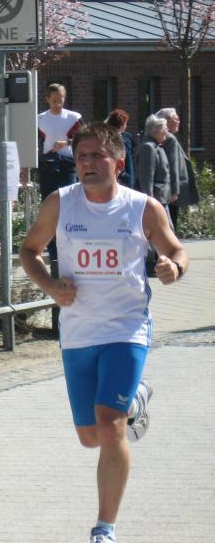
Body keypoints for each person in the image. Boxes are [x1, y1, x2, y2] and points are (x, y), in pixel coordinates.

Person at [19, 122, 188, 543]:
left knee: (109, 424)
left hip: (126, 327)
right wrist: (50, 285)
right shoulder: (60, 203)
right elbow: (29, 251)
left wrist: (174, 267)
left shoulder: (143, 207)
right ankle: (136, 398)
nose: (88, 163)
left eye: (97, 155)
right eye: (81, 157)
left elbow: (176, 250)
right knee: (90, 437)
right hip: (78, 332)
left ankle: (104, 528)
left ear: (119, 162)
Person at [37, 83, 83, 264]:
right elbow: (34, 142)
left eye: (60, 100)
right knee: (49, 205)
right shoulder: (40, 119)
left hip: (67, 164)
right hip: (47, 164)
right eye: (54, 100)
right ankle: (53, 252)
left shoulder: (74, 118)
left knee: (68, 204)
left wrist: (67, 142)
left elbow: (83, 138)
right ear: (47, 99)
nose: (57, 104)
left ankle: (70, 247)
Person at [135, 114, 172, 275]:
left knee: (166, 230)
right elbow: (146, 176)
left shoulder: (156, 146)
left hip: (161, 197)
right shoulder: (148, 148)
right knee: (160, 231)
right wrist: (149, 199)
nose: (167, 131)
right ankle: (151, 264)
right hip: (154, 198)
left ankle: (160, 262)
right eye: (164, 128)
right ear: (156, 130)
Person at [154, 108, 191, 230]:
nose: (179, 121)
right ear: (166, 121)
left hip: (163, 189)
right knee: (170, 225)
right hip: (169, 191)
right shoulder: (169, 139)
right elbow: (172, 165)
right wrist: (175, 190)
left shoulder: (157, 138)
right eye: (176, 119)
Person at [104, 109, 135, 189]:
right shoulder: (109, 138)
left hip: (127, 170)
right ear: (120, 124)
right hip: (120, 174)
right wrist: (123, 174)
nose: (126, 126)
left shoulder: (126, 136)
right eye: (125, 123)